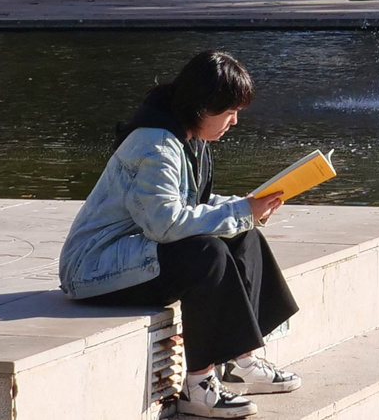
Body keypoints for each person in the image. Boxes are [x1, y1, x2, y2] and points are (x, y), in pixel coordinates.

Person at [60, 51, 301, 418]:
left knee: (243, 235)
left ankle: (242, 360)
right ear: (204, 106)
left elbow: (190, 202)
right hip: (94, 265)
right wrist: (239, 212)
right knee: (205, 255)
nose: (234, 122)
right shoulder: (156, 144)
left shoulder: (185, 135)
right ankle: (199, 386)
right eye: (230, 111)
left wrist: (247, 207)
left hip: (135, 251)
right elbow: (166, 223)